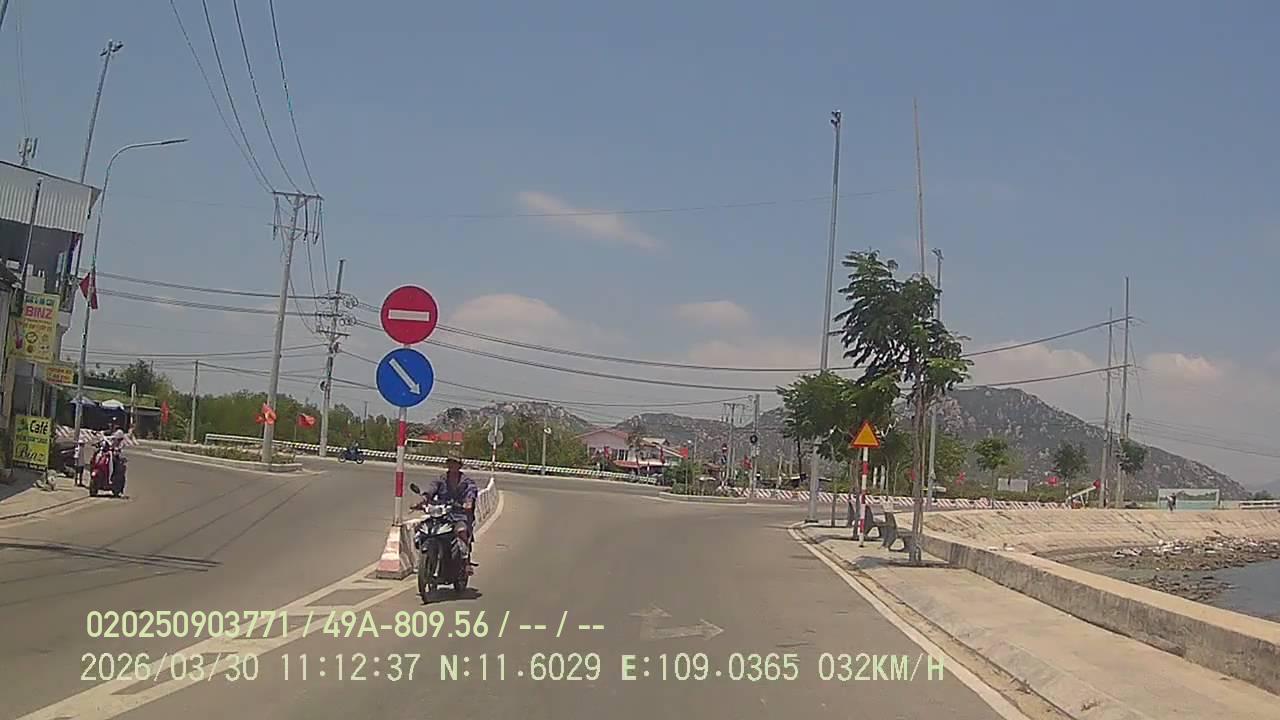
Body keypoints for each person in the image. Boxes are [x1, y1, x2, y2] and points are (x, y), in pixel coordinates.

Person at [415, 452, 479, 569]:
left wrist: (468, 502)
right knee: (421, 528)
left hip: (459, 515)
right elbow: (432, 489)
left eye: (455, 463)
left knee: (461, 531)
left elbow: (471, 491)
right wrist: (424, 499)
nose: (452, 465)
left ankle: (465, 562)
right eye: (450, 463)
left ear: (459, 465)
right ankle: (422, 558)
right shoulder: (441, 479)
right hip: (442, 515)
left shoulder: (466, 481)